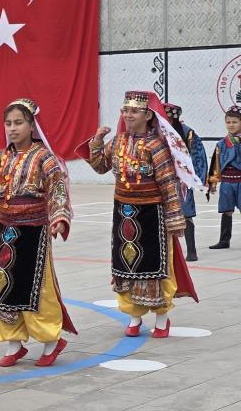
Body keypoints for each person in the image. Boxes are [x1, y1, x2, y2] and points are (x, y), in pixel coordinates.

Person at [0, 99, 77, 367]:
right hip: (6, 231)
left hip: (34, 231)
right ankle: (14, 344)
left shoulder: (44, 157)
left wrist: (59, 217)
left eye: (18, 122)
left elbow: (57, 188)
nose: (12, 128)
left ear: (32, 125)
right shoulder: (1, 157)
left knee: (37, 287)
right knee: (4, 284)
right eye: (8, 123)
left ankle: (51, 341)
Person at [85, 91, 201, 338]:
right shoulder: (117, 142)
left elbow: (168, 183)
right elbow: (100, 167)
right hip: (123, 212)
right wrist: (97, 141)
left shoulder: (156, 145)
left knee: (155, 266)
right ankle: (134, 317)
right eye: (125, 110)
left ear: (148, 115)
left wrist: (175, 218)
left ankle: (161, 319)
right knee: (126, 264)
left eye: (134, 111)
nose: (128, 115)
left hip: (152, 214)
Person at [164, 103, 208, 260]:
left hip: (182, 180)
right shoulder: (156, 131)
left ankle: (191, 251)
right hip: (162, 178)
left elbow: (198, 155)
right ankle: (164, 251)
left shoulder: (187, 132)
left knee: (186, 214)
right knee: (161, 214)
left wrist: (198, 179)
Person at [207, 105, 241, 250]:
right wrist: (213, 182)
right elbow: (216, 164)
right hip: (227, 181)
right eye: (228, 122)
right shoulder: (221, 144)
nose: (231, 125)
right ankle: (224, 240)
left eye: (235, 122)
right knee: (227, 210)